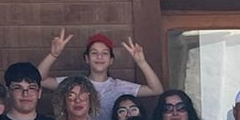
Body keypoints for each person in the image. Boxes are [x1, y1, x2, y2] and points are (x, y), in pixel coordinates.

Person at [36, 29, 164, 107]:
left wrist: (141, 62)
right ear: (87, 58)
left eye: (105, 53)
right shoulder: (74, 83)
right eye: (94, 53)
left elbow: (156, 90)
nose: (99, 57)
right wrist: (53, 55)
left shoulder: (119, 86)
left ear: (111, 60)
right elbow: (40, 80)